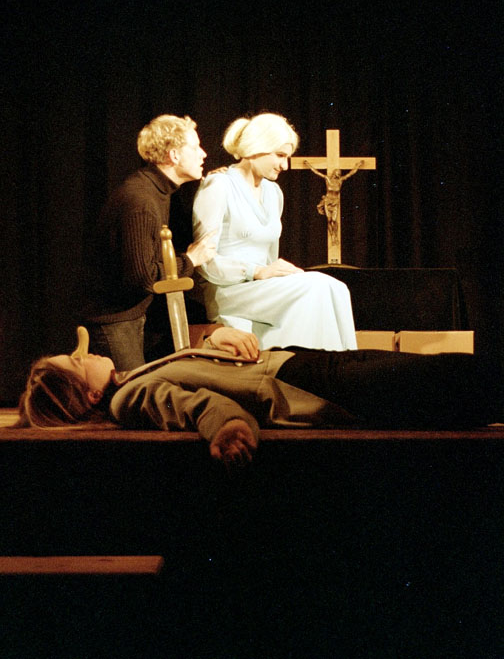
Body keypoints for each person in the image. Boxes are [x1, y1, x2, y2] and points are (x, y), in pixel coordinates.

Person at [18, 326, 502, 467]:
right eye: (75, 361)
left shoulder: (133, 379)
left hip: (304, 367)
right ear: (88, 393)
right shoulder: (130, 398)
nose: (82, 354)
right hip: (311, 387)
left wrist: (216, 338)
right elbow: (200, 406)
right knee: (452, 381)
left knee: (444, 377)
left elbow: (198, 375)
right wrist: (230, 430)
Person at [192, 112, 357, 351]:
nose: (285, 165)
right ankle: (310, 363)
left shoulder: (274, 193)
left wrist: (274, 274)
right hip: (228, 291)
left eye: (287, 157)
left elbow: (270, 259)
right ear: (255, 148)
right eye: (280, 155)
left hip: (261, 289)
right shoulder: (218, 186)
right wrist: (256, 271)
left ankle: (339, 364)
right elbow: (205, 262)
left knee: (337, 288)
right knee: (316, 288)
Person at [83, 114, 216, 371]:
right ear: (174, 155)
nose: (204, 154)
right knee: (132, 390)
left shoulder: (154, 191)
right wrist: (191, 260)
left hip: (129, 315)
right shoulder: (141, 200)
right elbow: (143, 278)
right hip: (113, 319)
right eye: (195, 147)